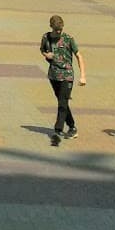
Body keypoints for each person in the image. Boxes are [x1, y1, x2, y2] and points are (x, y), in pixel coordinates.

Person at [39, 14, 86, 146]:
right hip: (53, 75)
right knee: (62, 102)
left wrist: (83, 76)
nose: (59, 32)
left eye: (60, 30)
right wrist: (46, 55)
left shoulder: (68, 39)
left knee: (62, 102)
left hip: (67, 75)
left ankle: (58, 129)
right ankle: (72, 127)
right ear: (51, 27)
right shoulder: (46, 37)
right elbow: (42, 50)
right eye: (56, 30)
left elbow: (79, 56)